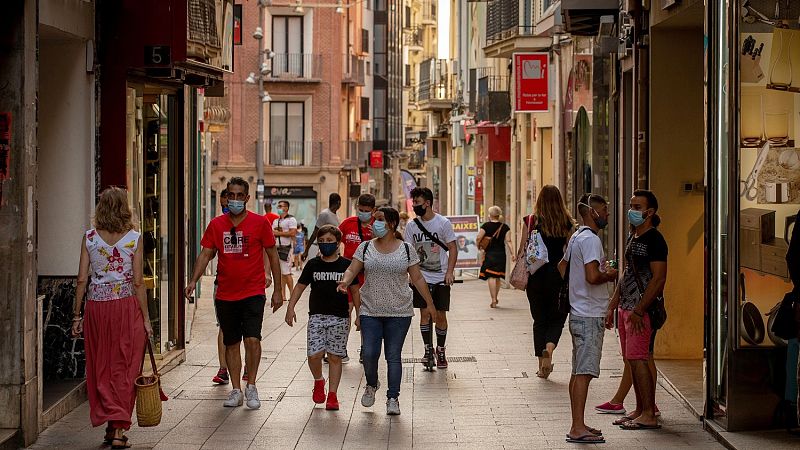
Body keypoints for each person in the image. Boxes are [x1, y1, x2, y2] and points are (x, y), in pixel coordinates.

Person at [185, 177, 283, 409]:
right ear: (226, 197)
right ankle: (236, 389)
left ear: (247, 198)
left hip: (253, 291)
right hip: (226, 294)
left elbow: (273, 256)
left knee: (252, 339)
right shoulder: (216, 225)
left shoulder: (260, 224)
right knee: (231, 343)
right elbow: (205, 254)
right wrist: (192, 280)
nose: (236, 200)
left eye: (240, 196)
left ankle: (252, 387)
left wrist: (278, 290)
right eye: (232, 195)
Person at [71, 187, 153, 449]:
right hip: (126, 307)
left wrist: (76, 314)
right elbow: (138, 282)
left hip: (96, 308)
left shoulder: (89, 237)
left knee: (101, 365)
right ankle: (117, 429)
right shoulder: (134, 238)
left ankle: (110, 426)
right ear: (125, 208)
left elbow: (82, 279)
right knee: (126, 365)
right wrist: (147, 319)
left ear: (101, 208)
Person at [337, 207, 438, 415]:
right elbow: (352, 269)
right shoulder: (365, 248)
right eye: (374, 220)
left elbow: (417, 278)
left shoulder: (407, 249)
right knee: (370, 353)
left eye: (380, 220)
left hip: (399, 312)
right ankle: (372, 384)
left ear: (391, 224)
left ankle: (393, 398)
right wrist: (345, 282)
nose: (375, 224)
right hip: (370, 310)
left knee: (393, 355)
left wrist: (430, 304)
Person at [605, 190, 668, 430]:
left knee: (640, 359)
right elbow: (628, 273)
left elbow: (659, 279)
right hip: (626, 309)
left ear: (650, 212)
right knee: (631, 359)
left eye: (637, 206)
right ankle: (640, 409)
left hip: (641, 313)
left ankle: (649, 414)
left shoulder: (655, 239)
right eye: (631, 205)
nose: (632, 210)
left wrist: (640, 310)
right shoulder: (634, 236)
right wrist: (614, 303)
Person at [558, 194, 618, 444]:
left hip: (579, 310)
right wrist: (610, 274)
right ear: (592, 213)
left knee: (578, 371)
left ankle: (579, 423)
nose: (607, 214)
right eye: (604, 210)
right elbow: (593, 276)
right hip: (589, 312)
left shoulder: (576, 237)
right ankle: (577, 427)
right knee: (584, 372)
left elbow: (562, 267)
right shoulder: (591, 240)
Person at [285, 225, 359, 411]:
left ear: (338, 243)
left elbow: (356, 291)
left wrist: (359, 314)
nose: (326, 244)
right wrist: (290, 307)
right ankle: (319, 381)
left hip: (340, 317)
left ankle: (332, 395)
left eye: (330, 241)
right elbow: (300, 286)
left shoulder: (346, 265)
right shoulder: (313, 265)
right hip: (316, 316)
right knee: (314, 354)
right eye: (322, 241)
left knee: (335, 357)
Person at [519, 185, 575, 378]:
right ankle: (549, 350)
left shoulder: (531, 221)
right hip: (558, 277)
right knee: (557, 319)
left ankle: (541, 364)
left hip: (536, 277)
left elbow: (523, 250)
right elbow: (570, 252)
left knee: (539, 320)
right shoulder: (567, 222)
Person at [405, 187, 457, 369]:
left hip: (441, 277)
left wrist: (449, 272)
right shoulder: (411, 226)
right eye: (413, 203)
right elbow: (409, 252)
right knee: (425, 313)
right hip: (421, 278)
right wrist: (410, 274)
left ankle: (440, 349)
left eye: (417, 203)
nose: (415, 206)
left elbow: (452, 248)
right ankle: (428, 350)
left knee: (440, 315)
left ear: (427, 203)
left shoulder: (443, 223)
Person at [338, 193, 377, 363]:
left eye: (366, 211)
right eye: (360, 210)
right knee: (345, 312)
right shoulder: (348, 223)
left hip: (367, 277)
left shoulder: (378, 226)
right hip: (348, 274)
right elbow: (336, 238)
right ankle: (341, 349)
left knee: (365, 315)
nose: (363, 213)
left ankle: (365, 350)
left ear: (373, 210)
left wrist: (375, 235)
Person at [477, 206, 512, 308]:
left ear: (490, 215)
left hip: (490, 254)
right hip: (501, 255)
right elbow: (509, 241)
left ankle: (493, 299)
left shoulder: (486, 226)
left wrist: (478, 246)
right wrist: (513, 253)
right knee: (497, 277)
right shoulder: (505, 227)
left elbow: (479, 237)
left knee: (491, 277)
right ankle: (495, 297)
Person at [272, 200, 298, 300]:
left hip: (286, 249)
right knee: (281, 272)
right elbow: (271, 232)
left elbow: (292, 233)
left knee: (286, 272)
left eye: (280, 206)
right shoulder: (276, 221)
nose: (278, 208)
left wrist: (278, 233)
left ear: (286, 208)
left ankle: (292, 294)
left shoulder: (291, 220)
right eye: (278, 206)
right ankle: (283, 295)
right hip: (277, 248)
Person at [304, 193, 342, 260]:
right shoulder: (325, 214)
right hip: (326, 250)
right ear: (339, 203)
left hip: (336, 251)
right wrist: (306, 251)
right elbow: (315, 233)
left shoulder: (337, 216)